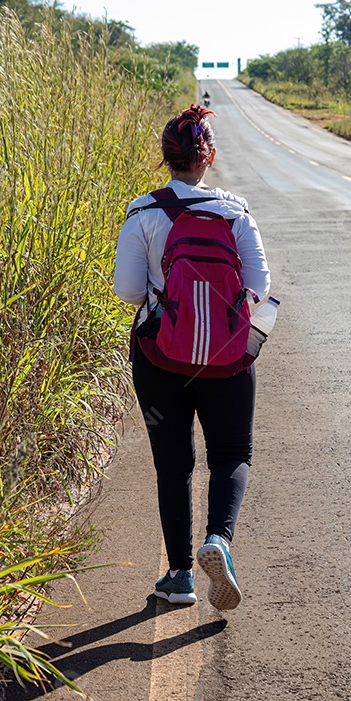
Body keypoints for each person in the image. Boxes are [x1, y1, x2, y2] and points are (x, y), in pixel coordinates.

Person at [113, 103, 271, 610]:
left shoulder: (142, 212)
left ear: (166, 157)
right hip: (227, 360)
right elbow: (260, 287)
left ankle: (179, 577)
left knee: (173, 463)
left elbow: (128, 290)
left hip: (160, 360)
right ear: (209, 157)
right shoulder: (235, 212)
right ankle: (218, 540)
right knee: (232, 454)